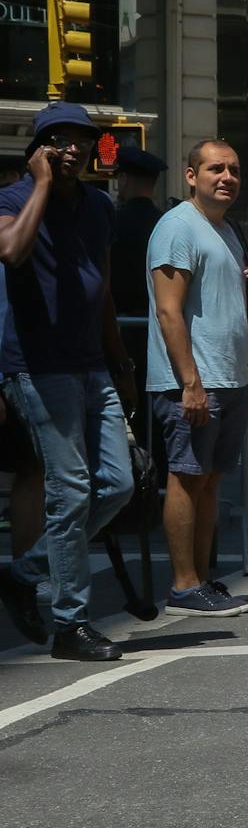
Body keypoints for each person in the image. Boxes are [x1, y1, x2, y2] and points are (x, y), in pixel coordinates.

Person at [0, 104, 138, 660]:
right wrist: (37, 183)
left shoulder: (100, 207)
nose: (73, 149)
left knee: (121, 484)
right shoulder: (12, 200)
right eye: (59, 140)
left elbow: (101, 291)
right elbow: (13, 251)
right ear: (39, 149)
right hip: (37, 366)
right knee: (71, 489)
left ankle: (27, 570)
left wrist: (122, 365)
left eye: (83, 140)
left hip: (91, 364)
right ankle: (69, 623)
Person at [147, 140, 248, 617]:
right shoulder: (177, 228)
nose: (227, 177)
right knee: (186, 478)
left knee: (210, 481)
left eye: (234, 169)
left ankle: (199, 580)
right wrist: (190, 382)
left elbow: (225, 307)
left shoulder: (226, 230)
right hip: (193, 381)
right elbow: (168, 311)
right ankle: (182, 584)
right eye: (216, 168)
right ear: (190, 175)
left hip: (229, 377)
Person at [111, 145, 168, 320]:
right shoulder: (166, 223)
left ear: (123, 179)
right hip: (157, 320)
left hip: (120, 321)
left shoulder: (113, 221)